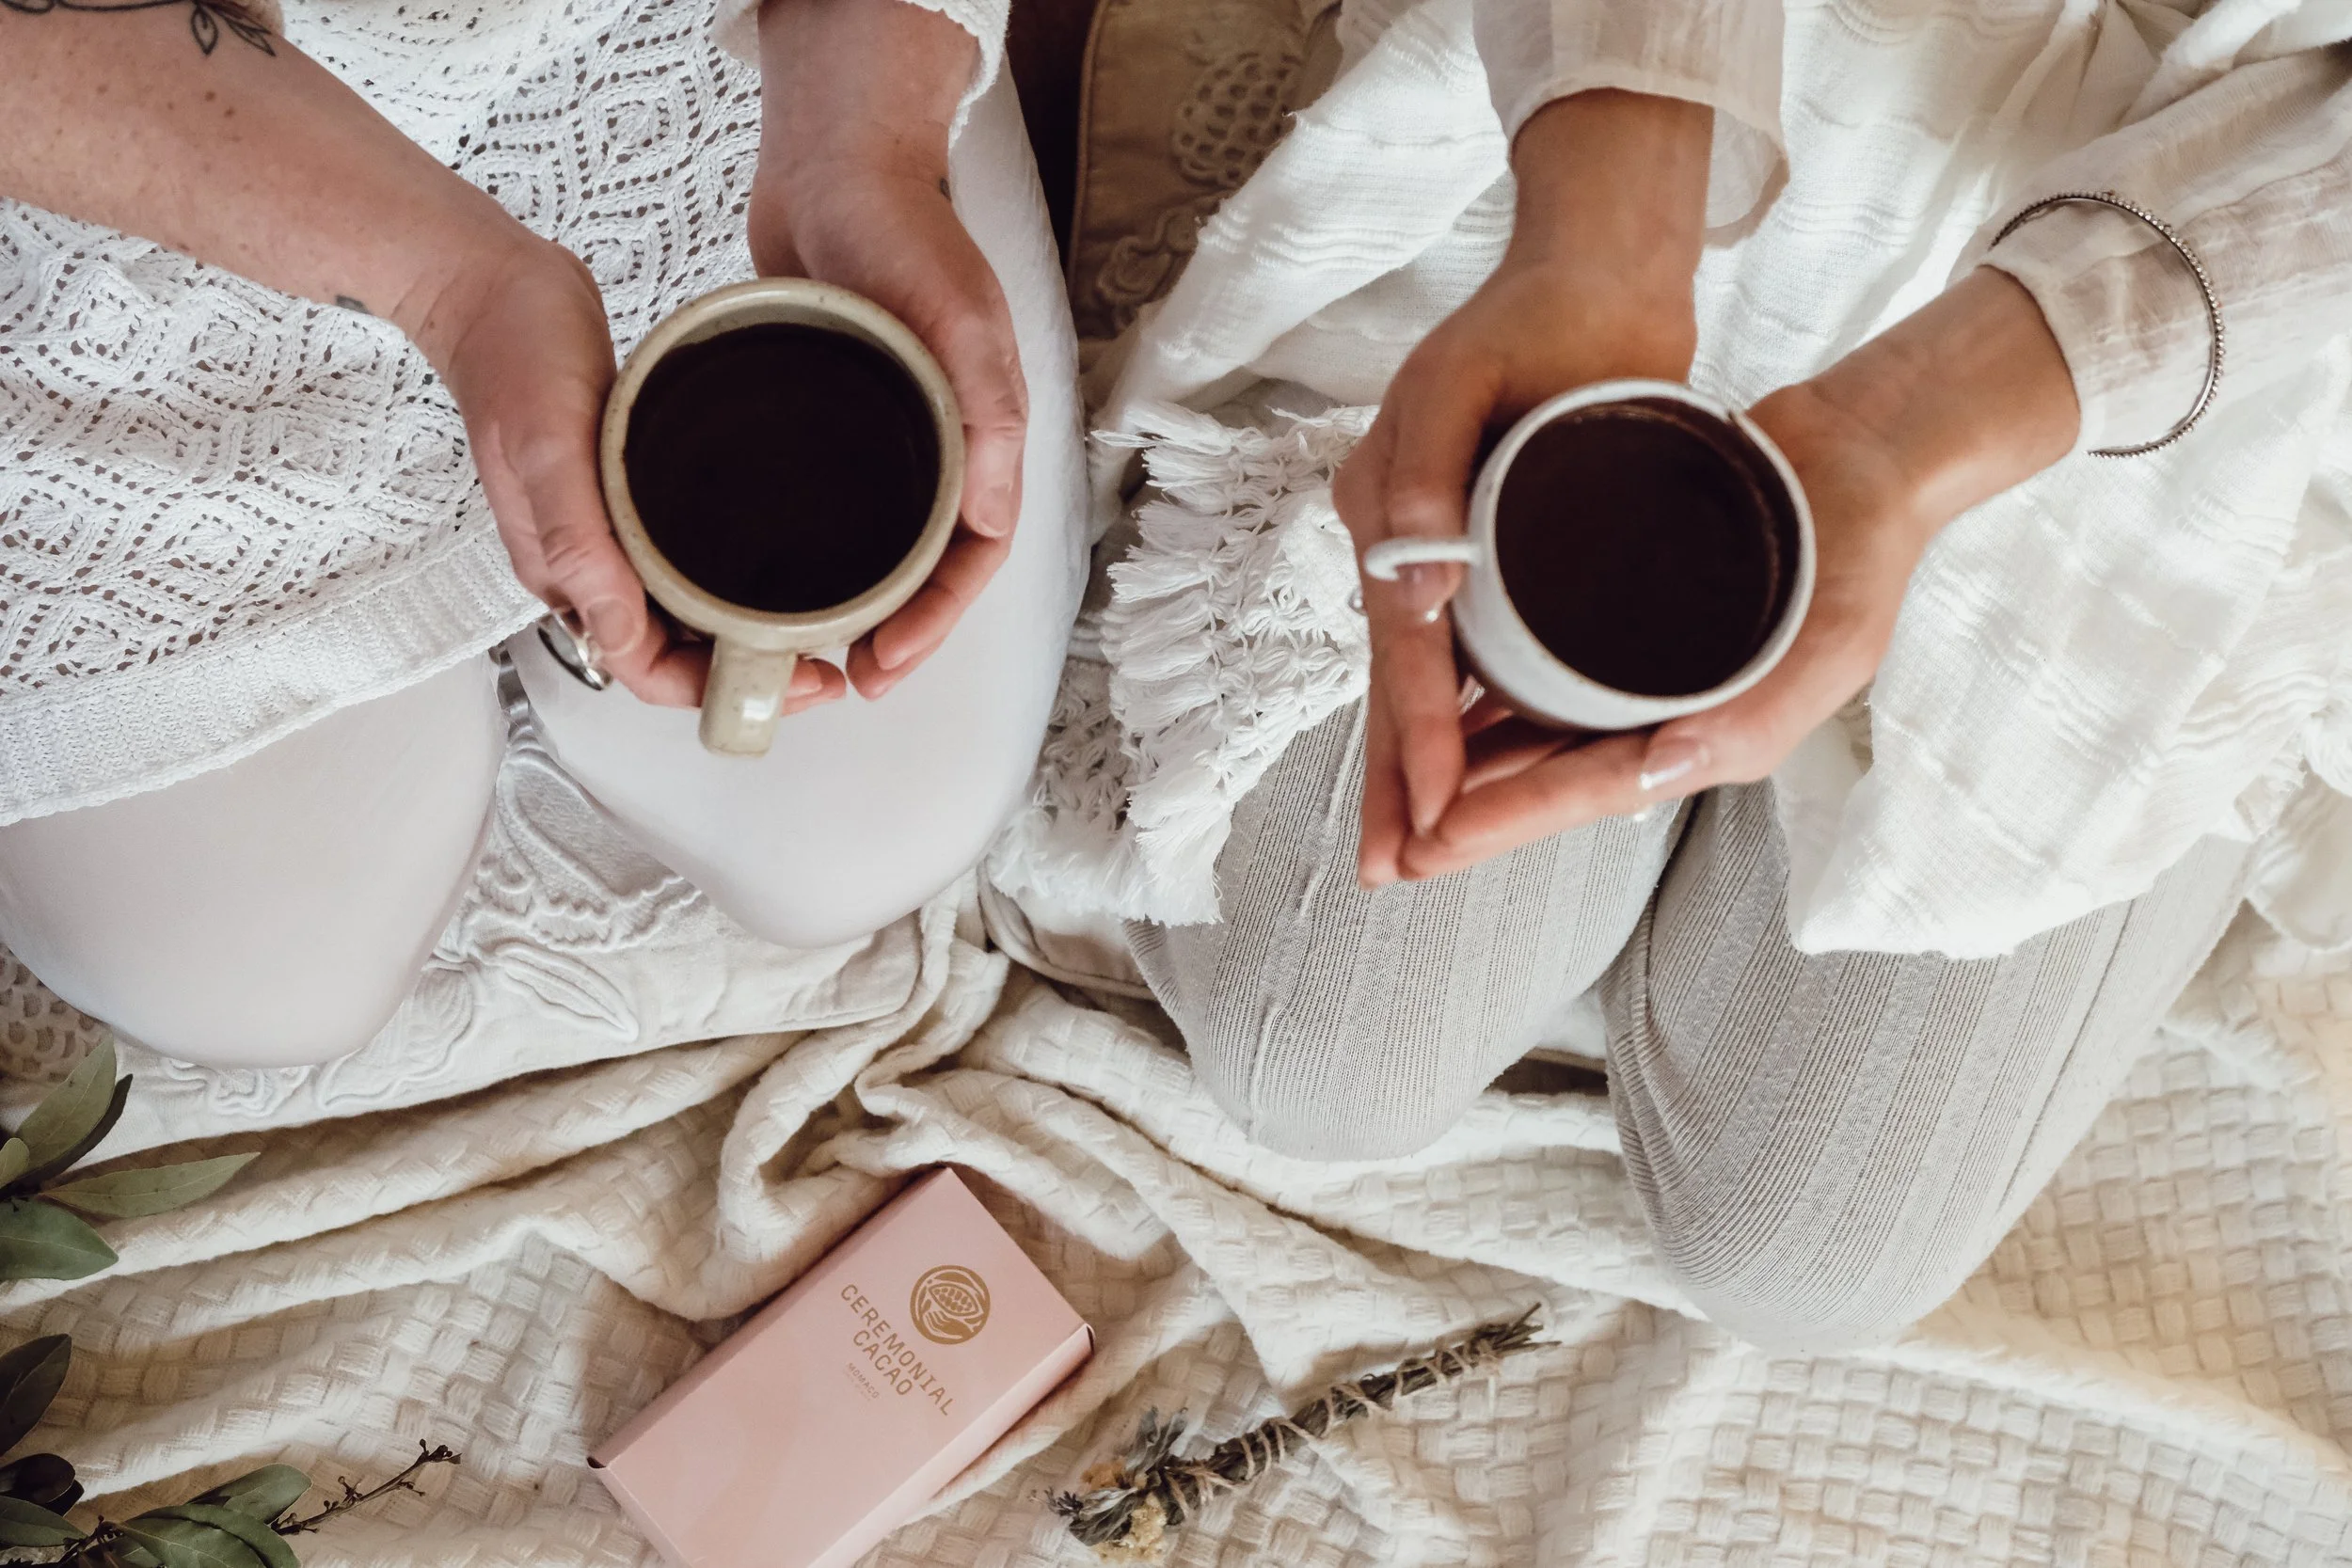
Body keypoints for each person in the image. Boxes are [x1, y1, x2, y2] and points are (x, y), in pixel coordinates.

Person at [1124, 0, 2352, 1349]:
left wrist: (1920, 416)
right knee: (1314, 1057)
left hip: (2245, 278)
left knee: (1811, 1262)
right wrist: (1612, 210)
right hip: (1733, 89)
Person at [0, 0, 1085, 1067]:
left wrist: (868, 135)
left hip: (682, 70)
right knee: (251, 983)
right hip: (130, 167)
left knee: (863, 841)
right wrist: (455, 287)